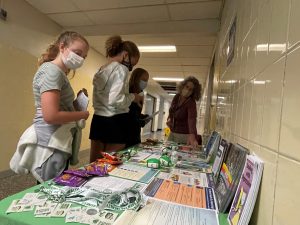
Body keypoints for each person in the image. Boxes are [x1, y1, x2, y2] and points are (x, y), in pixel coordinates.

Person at [10, 31, 90, 183]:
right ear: (62, 47)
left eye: (84, 57)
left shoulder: (57, 72)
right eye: (77, 53)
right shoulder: (52, 71)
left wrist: (77, 103)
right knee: (49, 187)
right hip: (51, 140)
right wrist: (82, 114)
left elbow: (59, 108)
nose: (80, 59)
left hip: (56, 137)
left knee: (52, 185)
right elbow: (51, 115)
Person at [89, 35, 143, 162]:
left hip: (98, 120)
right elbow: (115, 100)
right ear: (125, 55)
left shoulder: (102, 69)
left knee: (93, 164)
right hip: (115, 121)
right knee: (110, 165)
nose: (130, 68)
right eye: (132, 64)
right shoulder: (121, 69)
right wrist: (133, 97)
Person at [166, 76, 201, 148]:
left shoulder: (191, 102)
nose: (187, 90)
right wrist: (169, 119)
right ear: (182, 86)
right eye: (187, 87)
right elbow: (172, 110)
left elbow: (192, 119)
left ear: (193, 92)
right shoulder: (176, 97)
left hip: (184, 135)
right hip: (172, 132)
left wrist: (192, 135)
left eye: (190, 90)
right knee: (167, 152)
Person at [126, 68, 151, 147]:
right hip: (126, 134)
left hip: (135, 133)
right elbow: (127, 116)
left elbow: (136, 113)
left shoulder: (140, 93)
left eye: (147, 80)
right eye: (143, 79)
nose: (145, 83)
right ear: (136, 78)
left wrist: (144, 117)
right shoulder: (128, 93)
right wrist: (142, 122)